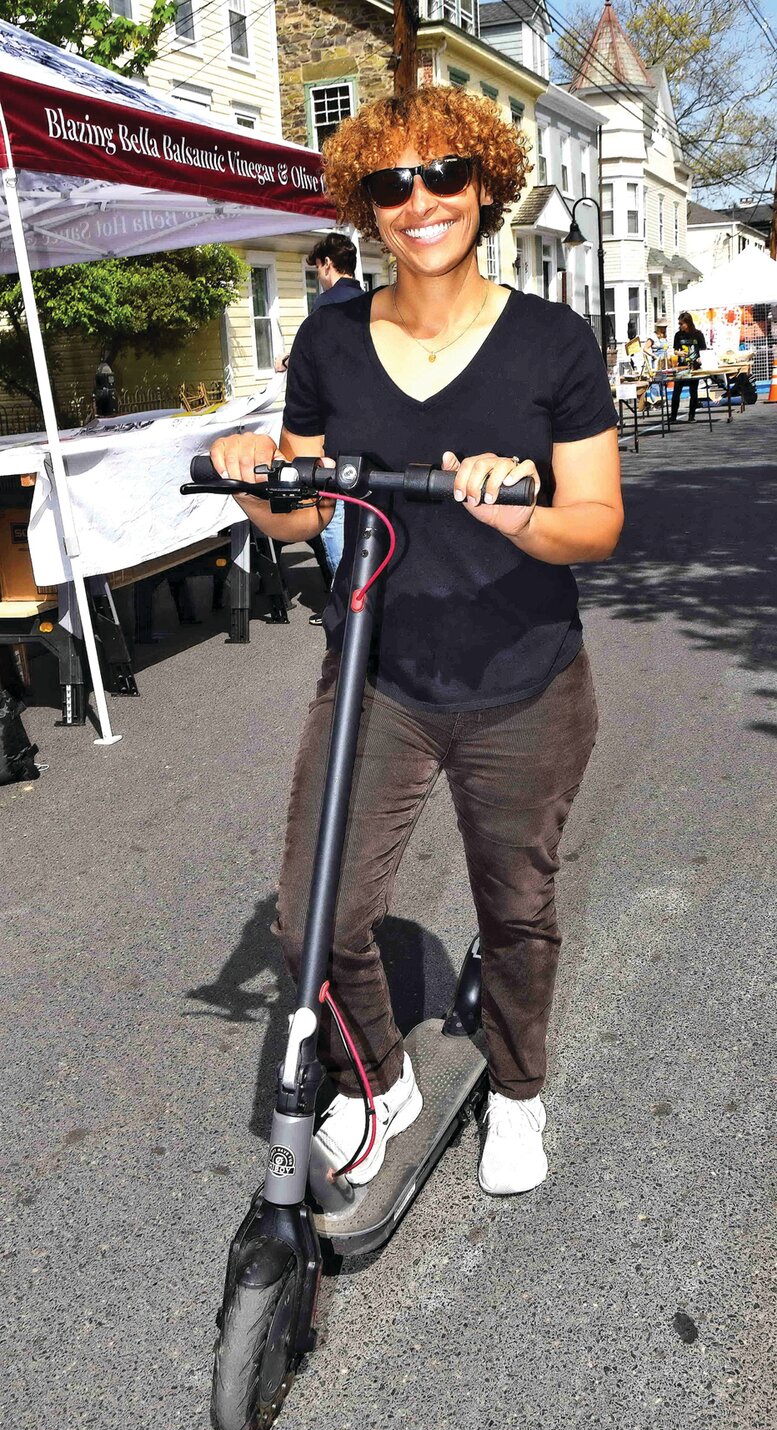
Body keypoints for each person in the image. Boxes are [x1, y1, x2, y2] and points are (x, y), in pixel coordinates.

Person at [211, 87, 623, 1198]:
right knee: (315, 917)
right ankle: (380, 1082)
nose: (420, 200)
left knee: (517, 907)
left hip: (522, 679)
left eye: (445, 174)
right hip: (378, 673)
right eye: (391, 183)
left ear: (486, 186)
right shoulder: (332, 340)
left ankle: (521, 1093)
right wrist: (258, 477)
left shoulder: (552, 342)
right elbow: (302, 508)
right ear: (366, 206)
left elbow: (598, 522)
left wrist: (516, 512)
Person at [305, 233, 367, 605]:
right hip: (373, 424)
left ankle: (347, 595)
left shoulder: (325, 309)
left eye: (318, 270)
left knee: (335, 512)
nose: (319, 277)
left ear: (328, 264)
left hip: (336, 424)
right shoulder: (373, 301)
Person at [306, 231, 365, 311]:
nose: (318, 276)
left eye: (318, 267)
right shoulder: (370, 300)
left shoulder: (325, 303)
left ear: (327, 262)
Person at [670, 310, 707, 423]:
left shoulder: (698, 334)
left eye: (682, 324)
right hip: (682, 367)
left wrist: (701, 358)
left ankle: (692, 416)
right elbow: (675, 350)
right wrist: (679, 353)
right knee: (676, 392)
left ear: (688, 323)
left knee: (693, 391)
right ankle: (673, 417)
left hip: (694, 367)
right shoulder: (678, 335)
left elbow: (703, 349)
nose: (680, 326)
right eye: (679, 324)